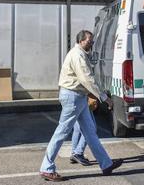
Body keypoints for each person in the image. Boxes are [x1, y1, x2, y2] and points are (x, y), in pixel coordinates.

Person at [39, 30, 123, 181]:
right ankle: (46, 167)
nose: (91, 43)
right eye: (89, 40)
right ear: (80, 41)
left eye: (92, 40)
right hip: (73, 96)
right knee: (62, 131)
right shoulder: (78, 55)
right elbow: (87, 79)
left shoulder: (81, 54)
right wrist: (104, 98)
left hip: (79, 97)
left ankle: (106, 164)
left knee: (90, 131)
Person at [69, 96, 98, 166]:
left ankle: (74, 153)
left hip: (72, 99)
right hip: (82, 99)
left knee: (77, 129)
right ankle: (78, 153)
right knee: (91, 128)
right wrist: (106, 99)